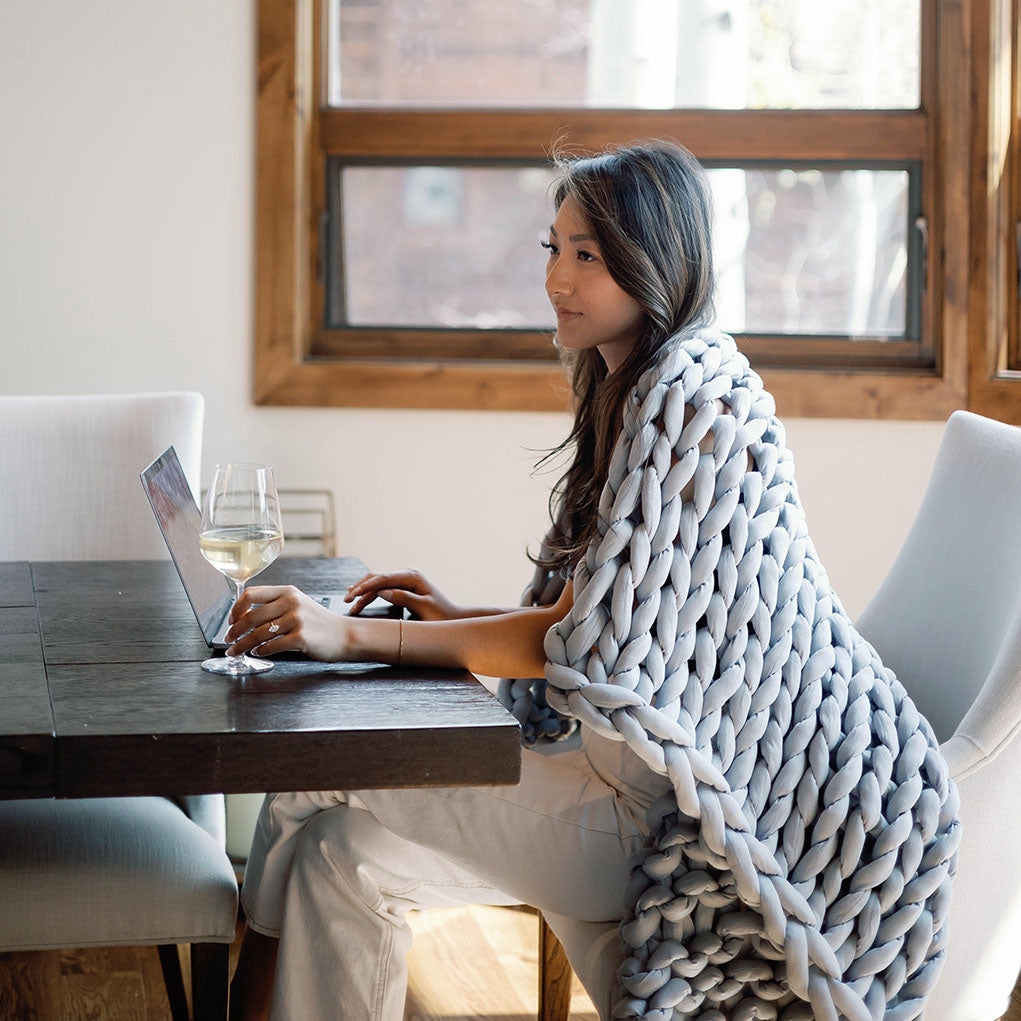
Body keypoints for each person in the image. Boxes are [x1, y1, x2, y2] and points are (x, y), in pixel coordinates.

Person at [227, 141, 957, 1021]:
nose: (555, 278)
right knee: (337, 855)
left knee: (318, 765)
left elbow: (580, 645)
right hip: (594, 775)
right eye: (554, 247)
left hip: (639, 821)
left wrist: (343, 632)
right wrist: (454, 616)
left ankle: (241, 987)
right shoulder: (642, 388)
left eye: (587, 255)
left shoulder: (690, 407)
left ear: (653, 262)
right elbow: (598, 612)